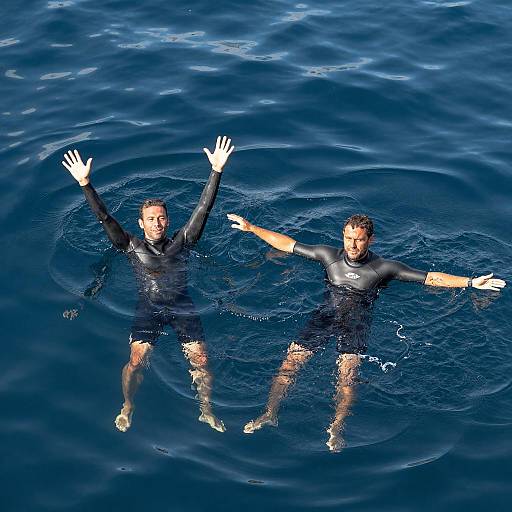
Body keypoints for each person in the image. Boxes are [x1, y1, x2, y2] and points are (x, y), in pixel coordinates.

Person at [227, 212, 506, 451]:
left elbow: (429, 278)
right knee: (289, 364)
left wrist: (470, 282)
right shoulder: (328, 256)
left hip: (357, 323)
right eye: (348, 238)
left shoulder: (384, 268)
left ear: (370, 240)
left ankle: (335, 428)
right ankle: (270, 413)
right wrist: (252, 228)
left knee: (347, 377)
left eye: (359, 239)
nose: (352, 245)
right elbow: (287, 244)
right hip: (323, 317)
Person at [62, 136, 235, 433]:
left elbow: (203, 210)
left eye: (161, 218)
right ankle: (128, 404)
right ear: (141, 223)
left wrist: (216, 171)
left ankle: (206, 410)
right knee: (136, 361)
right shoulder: (130, 246)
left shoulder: (183, 242)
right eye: (150, 219)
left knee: (202, 361)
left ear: (168, 222)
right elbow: (104, 217)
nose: (156, 223)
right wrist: (85, 184)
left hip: (182, 305)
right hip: (150, 309)